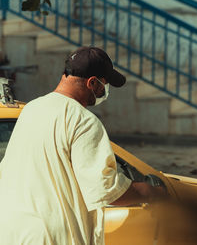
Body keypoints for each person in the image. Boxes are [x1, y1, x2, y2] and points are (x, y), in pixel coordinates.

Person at [0, 46, 166, 245]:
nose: (104, 91)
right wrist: (149, 192)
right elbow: (104, 189)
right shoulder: (83, 120)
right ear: (92, 83)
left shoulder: (31, 109)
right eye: (104, 84)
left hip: (11, 231)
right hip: (52, 236)